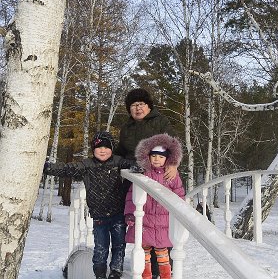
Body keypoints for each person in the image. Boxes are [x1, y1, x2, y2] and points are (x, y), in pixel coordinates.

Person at [43, 131, 136, 279]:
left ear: (112, 148)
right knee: (101, 247)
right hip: (99, 215)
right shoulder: (88, 165)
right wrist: (48, 168)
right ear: (93, 150)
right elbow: (68, 168)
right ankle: (99, 272)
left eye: (106, 147)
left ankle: (116, 271)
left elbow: (132, 164)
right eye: (99, 147)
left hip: (118, 213)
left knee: (119, 245)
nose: (103, 150)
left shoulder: (119, 162)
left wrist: (136, 166)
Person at [114, 88, 179, 277]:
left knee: (159, 219)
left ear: (149, 106)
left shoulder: (160, 121)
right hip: (134, 179)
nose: (138, 108)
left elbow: (174, 144)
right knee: (140, 221)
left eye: (141, 104)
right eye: (134, 105)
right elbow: (120, 150)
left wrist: (173, 164)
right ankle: (144, 267)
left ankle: (164, 266)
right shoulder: (126, 128)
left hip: (158, 176)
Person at [124, 133, 185, 279]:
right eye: (154, 156)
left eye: (161, 157)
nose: (157, 159)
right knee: (144, 252)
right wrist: (130, 213)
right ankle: (146, 276)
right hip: (146, 220)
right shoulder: (144, 173)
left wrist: (180, 213)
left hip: (164, 222)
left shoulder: (171, 175)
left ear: (167, 159)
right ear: (148, 156)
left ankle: (165, 276)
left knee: (163, 253)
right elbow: (132, 194)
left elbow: (179, 193)